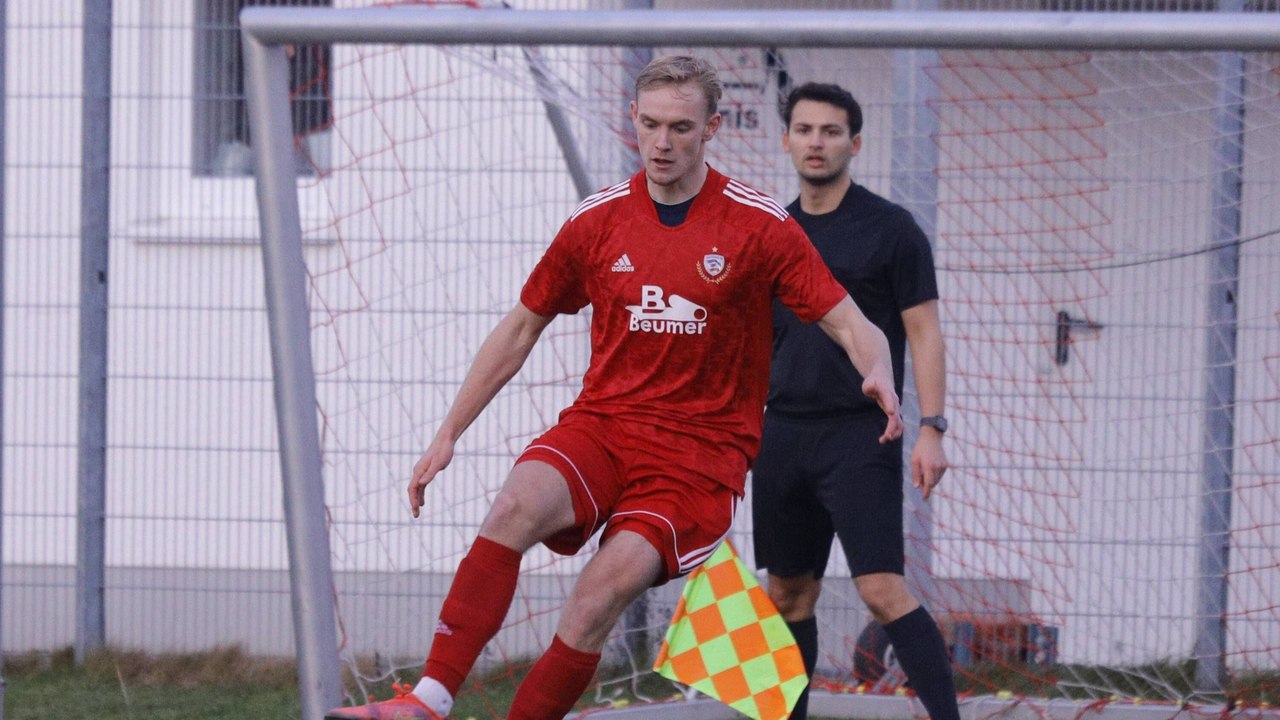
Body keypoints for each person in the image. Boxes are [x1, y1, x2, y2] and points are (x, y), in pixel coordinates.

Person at [326, 57, 903, 720]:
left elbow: (847, 318)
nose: (662, 142)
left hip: (698, 457)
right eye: (651, 124)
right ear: (634, 119)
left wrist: (878, 371)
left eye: (681, 128)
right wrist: (447, 434)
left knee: (600, 589)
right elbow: (519, 330)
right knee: (514, 504)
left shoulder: (757, 225)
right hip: (602, 426)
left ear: (711, 128)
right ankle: (427, 701)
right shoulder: (598, 220)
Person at [750, 82, 958, 720]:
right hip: (781, 435)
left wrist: (932, 428)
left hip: (861, 435)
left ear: (855, 144)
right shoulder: (769, 232)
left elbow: (923, 331)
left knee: (880, 588)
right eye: (805, 130)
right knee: (786, 595)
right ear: (786, 140)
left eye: (831, 131)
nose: (817, 142)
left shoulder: (891, 230)